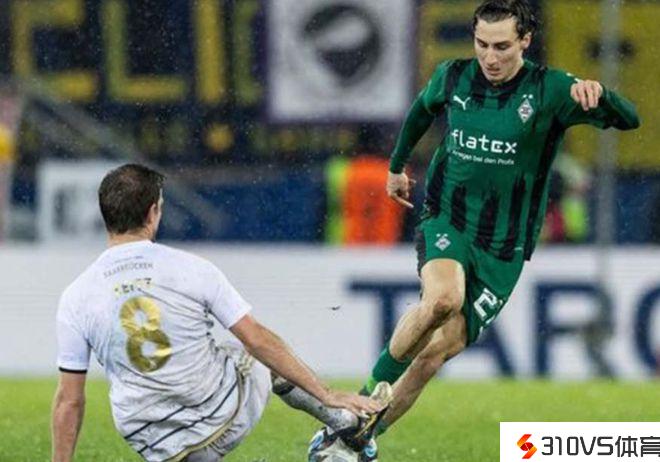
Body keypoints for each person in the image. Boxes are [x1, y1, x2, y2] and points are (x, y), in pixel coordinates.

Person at [309, 0, 640, 459]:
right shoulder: (454, 76)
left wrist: (601, 93)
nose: (490, 57)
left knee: (435, 354)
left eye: (502, 46)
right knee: (443, 300)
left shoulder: (551, 89)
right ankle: (357, 404)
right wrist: (397, 166)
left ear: (525, 41)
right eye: (482, 44)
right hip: (449, 217)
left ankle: (356, 438)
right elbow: (421, 111)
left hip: (504, 247)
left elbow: (630, 118)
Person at [51, 163, 387, 462]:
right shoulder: (191, 268)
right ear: (153, 212)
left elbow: (69, 401)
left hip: (155, 443)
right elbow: (256, 340)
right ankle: (344, 423)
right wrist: (328, 394)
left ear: (106, 215)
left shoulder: (76, 296)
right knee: (254, 351)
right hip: (220, 421)